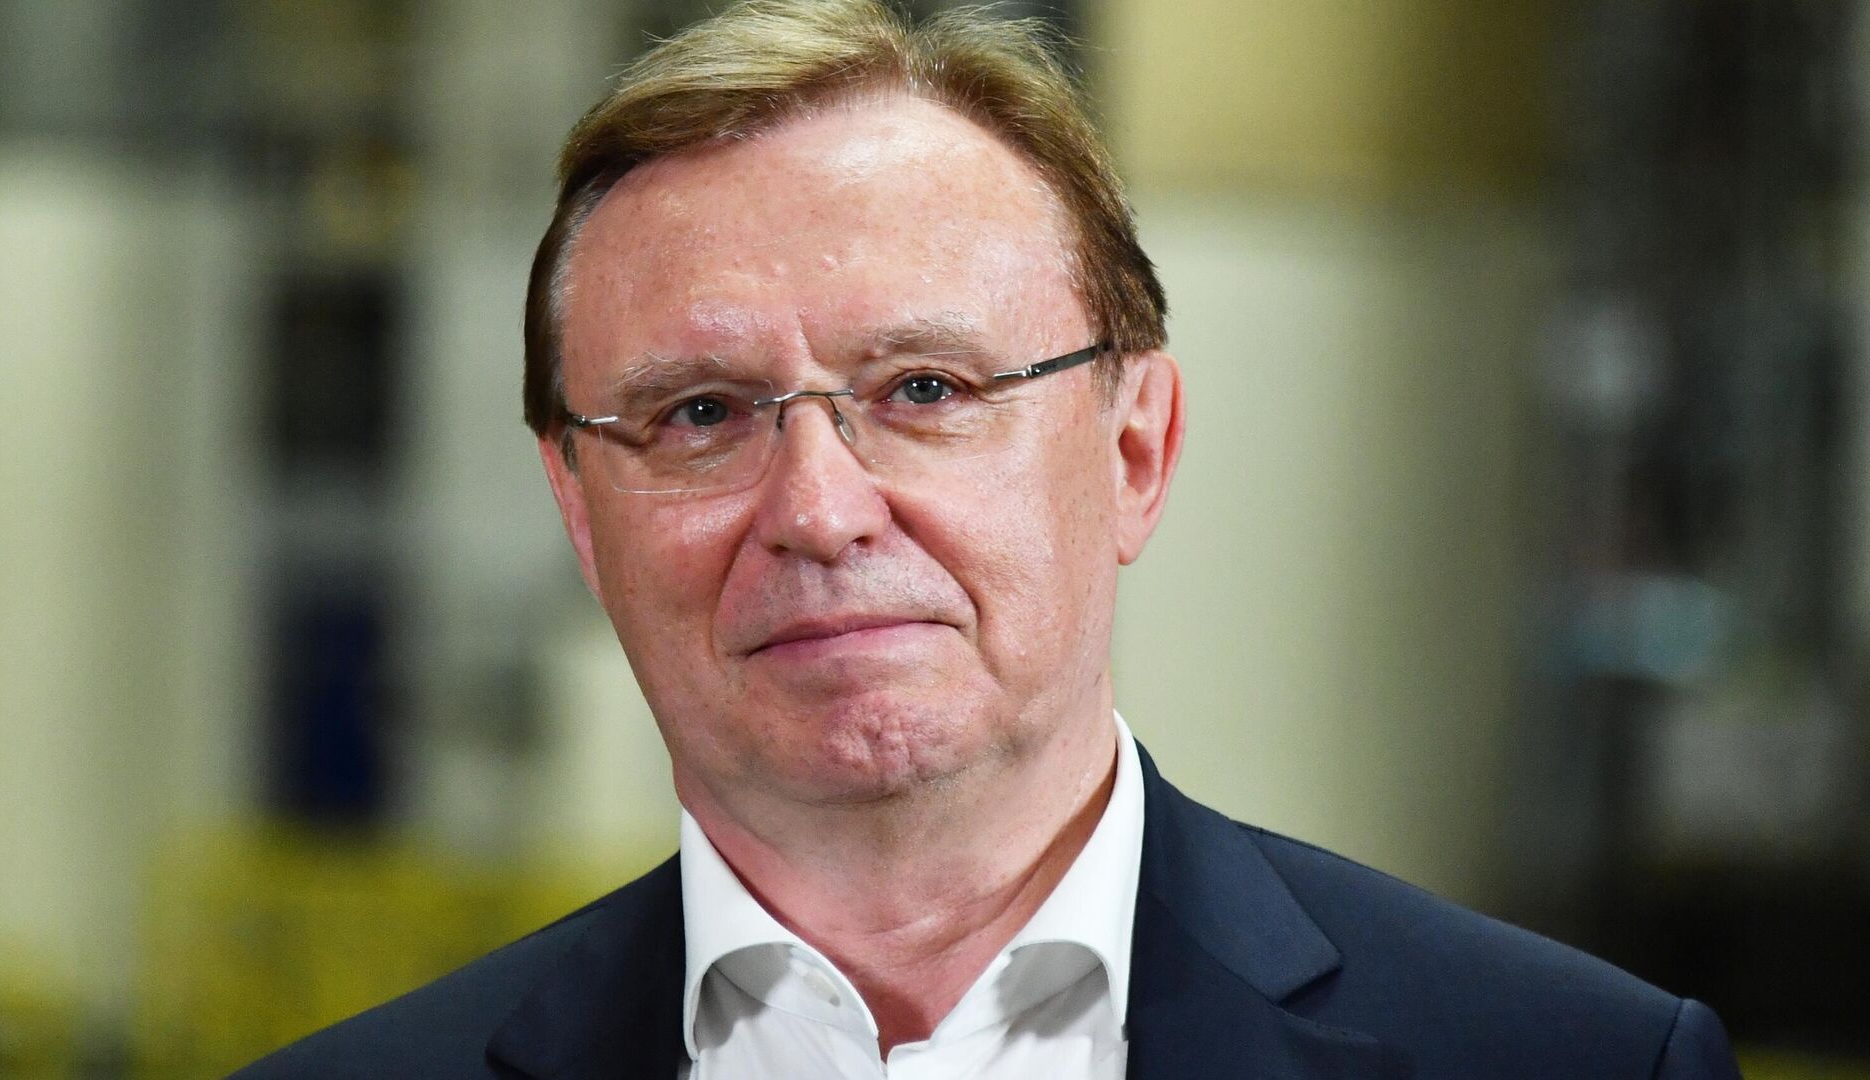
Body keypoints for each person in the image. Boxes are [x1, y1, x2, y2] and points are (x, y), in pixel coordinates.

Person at [237, 1, 1742, 1076]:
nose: (819, 510)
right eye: (700, 413)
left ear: (1136, 449)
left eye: (926, 390)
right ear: (580, 507)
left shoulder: (1575, 1062)